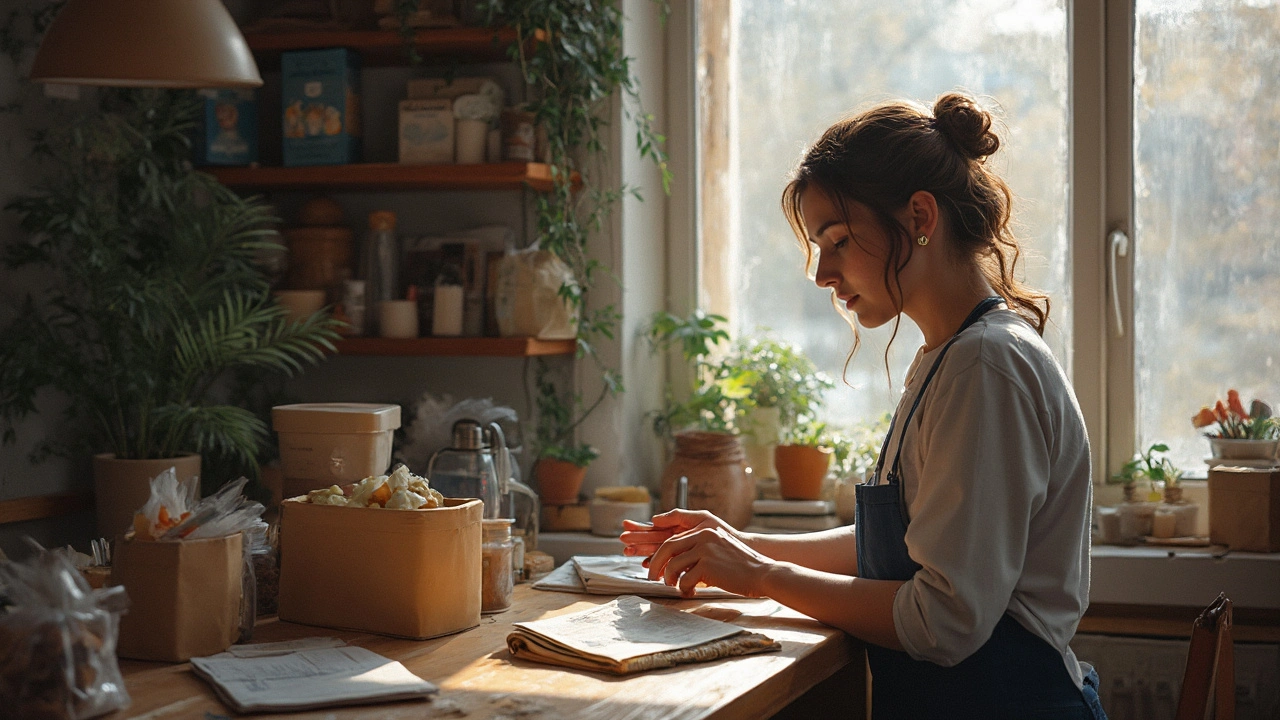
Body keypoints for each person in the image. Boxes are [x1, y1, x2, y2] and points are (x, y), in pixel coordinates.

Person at [621, 93, 1106, 719]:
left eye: (840, 240)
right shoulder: (950, 357)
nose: (823, 273)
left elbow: (943, 620)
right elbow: (903, 542)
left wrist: (759, 576)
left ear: (920, 217)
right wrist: (740, 544)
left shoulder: (985, 368)